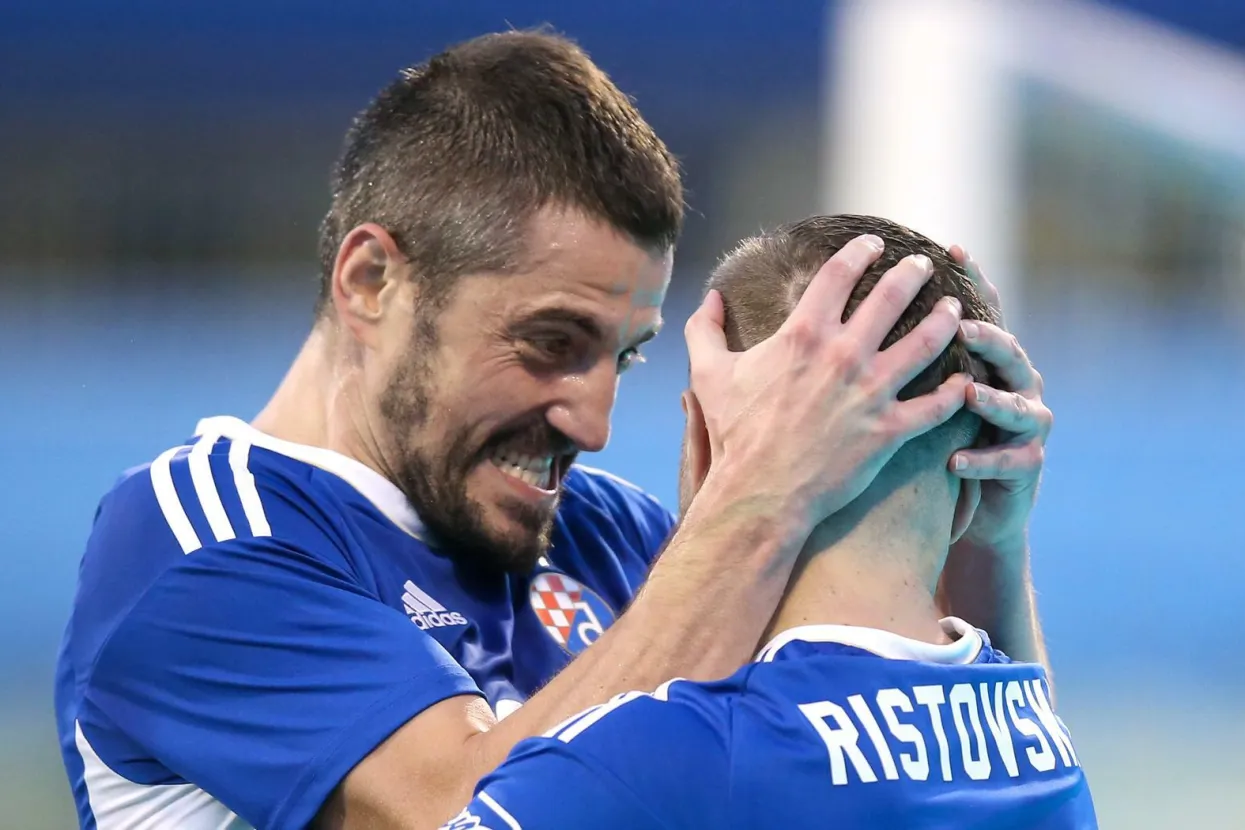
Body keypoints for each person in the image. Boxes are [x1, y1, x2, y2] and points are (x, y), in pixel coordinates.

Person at [54, 31, 1051, 830]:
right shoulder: (204, 542)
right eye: (550, 341)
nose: (595, 421)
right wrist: (755, 505)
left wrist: (980, 550)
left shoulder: (610, 533)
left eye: (623, 355)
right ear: (371, 282)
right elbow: (465, 810)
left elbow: (905, 770)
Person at [443, 215, 1088, 830]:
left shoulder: (660, 756)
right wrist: (996, 547)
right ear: (977, 491)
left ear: (702, 441)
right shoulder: (1045, 760)